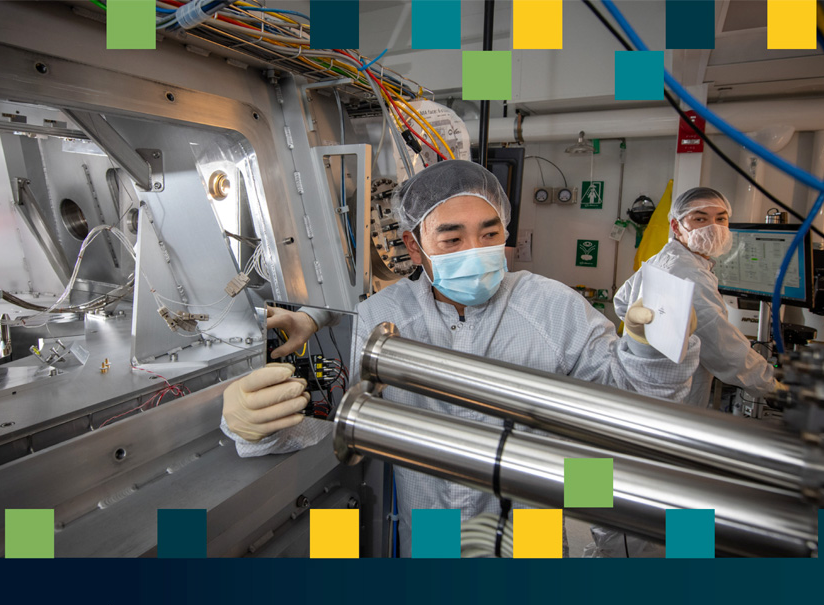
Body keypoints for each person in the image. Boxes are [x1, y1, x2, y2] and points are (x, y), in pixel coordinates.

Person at [222, 160, 701, 556]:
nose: (476, 251)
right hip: (431, 527)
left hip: (529, 531)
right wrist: (256, 421)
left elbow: (633, 400)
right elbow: (322, 419)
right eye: (451, 240)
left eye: (489, 233)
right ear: (414, 245)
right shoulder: (381, 316)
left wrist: (651, 348)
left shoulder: (551, 306)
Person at [615, 187, 778, 408]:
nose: (713, 227)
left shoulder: (664, 258)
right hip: (674, 396)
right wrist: (774, 387)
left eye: (721, 219)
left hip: (644, 383)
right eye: (700, 219)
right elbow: (725, 352)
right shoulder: (689, 274)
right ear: (676, 226)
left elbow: (622, 301)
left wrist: (649, 338)